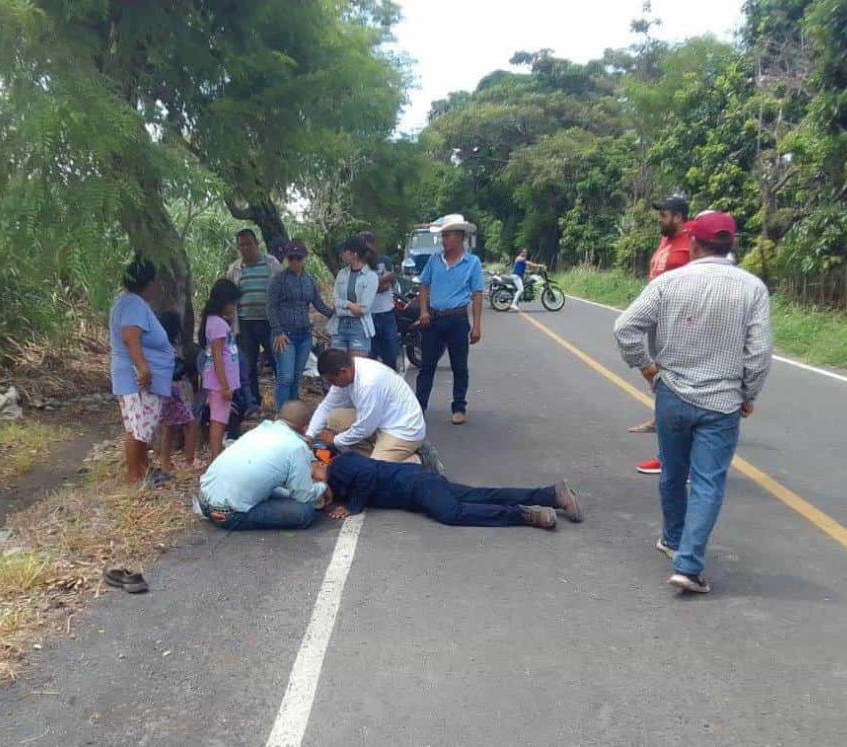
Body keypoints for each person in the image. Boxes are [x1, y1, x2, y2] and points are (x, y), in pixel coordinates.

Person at [613, 211, 773, 594]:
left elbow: (625, 328)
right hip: (721, 401)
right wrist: (748, 395)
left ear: (694, 242)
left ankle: (671, 538)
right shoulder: (752, 289)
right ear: (732, 244)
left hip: (672, 394)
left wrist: (648, 369)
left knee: (672, 472)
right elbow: (760, 352)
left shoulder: (670, 282)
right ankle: (688, 564)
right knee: (707, 482)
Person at [315, 452, 583, 529]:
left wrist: (353, 507)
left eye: (312, 478)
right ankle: (551, 494)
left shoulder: (339, 465)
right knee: (481, 495)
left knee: (450, 513)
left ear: (317, 465)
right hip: (418, 485)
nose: (315, 486)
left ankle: (524, 515)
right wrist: (334, 501)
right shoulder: (336, 482)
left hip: (415, 486)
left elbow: (367, 473)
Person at [631, 195, 694, 474]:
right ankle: (662, 424)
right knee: (662, 377)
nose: (660, 219)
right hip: (659, 317)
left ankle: (674, 458)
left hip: (678, 321)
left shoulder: (693, 242)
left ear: (679, 217)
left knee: (676, 382)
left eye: (664, 215)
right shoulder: (666, 240)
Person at [198, 401, 332, 531]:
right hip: (228, 514)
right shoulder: (297, 447)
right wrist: (322, 487)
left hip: (204, 500)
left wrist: (311, 462)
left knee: (281, 491)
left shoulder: (262, 429)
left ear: (277, 417)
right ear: (305, 427)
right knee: (305, 512)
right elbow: (303, 496)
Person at [109, 259, 175, 486]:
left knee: (140, 428)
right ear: (149, 283)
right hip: (137, 379)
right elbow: (130, 337)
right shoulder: (133, 304)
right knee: (138, 430)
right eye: (156, 282)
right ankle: (134, 476)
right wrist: (143, 367)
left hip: (134, 378)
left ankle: (142, 470)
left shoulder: (129, 302)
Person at [415, 214, 484, 425]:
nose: (443, 240)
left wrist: (477, 326)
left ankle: (459, 406)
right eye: (443, 235)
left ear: (459, 238)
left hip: (457, 319)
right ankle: (419, 407)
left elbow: (477, 294)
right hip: (434, 319)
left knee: (459, 366)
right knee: (427, 365)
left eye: (447, 236)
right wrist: (423, 311)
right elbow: (424, 285)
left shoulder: (472, 263)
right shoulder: (434, 261)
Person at [306, 348, 426, 463]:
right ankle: (377, 455)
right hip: (380, 420)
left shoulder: (367, 384)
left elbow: (364, 428)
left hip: (403, 430)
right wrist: (309, 436)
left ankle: (416, 460)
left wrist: (335, 440)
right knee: (334, 418)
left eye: (332, 381)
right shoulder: (349, 370)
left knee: (373, 473)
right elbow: (327, 407)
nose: (332, 385)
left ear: (343, 371)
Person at [267, 240, 333, 410]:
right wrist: (278, 331)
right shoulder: (279, 280)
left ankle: (293, 412)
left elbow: (319, 304)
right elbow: (270, 306)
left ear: (305, 259)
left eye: (298, 258)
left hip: (304, 335)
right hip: (284, 335)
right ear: (287, 259)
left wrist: (337, 314)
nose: (295, 261)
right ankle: (282, 415)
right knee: (285, 377)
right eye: (291, 258)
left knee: (296, 377)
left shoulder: (309, 280)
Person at [227, 229, 282, 410]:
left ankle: (282, 403)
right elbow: (229, 297)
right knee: (248, 365)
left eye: (248, 244)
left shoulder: (271, 264)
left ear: (256, 244)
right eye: (241, 245)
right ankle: (253, 404)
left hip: (269, 322)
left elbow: (281, 291)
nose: (245, 248)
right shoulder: (235, 269)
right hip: (244, 323)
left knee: (277, 362)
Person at [200, 279, 242, 460]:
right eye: (233, 303)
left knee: (220, 418)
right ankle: (215, 458)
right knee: (219, 420)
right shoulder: (217, 324)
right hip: (220, 383)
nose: (234, 307)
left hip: (220, 381)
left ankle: (216, 456)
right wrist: (225, 385)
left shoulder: (217, 322)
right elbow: (218, 356)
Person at [156, 310, 201, 474]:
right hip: (177, 390)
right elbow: (182, 369)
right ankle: (189, 460)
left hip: (163, 391)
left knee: (168, 427)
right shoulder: (176, 349)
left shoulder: (159, 348)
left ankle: (165, 462)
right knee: (191, 423)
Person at [328, 235, 378, 357]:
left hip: (359, 326)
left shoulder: (370, 277)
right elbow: (335, 301)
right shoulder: (342, 274)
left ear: (354, 254)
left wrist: (343, 306)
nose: (342, 255)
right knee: (337, 365)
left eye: (345, 252)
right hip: (339, 325)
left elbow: (363, 309)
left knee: (357, 367)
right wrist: (349, 305)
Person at [359, 230, 400, 369]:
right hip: (368, 315)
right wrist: (380, 281)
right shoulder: (358, 266)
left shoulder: (384, 261)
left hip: (386, 312)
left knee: (391, 356)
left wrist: (373, 285)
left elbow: (388, 285)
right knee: (371, 358)